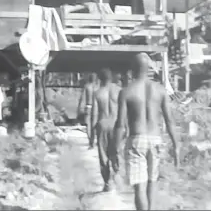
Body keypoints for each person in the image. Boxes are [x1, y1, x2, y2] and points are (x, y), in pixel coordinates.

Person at [112, 53, 179, 211]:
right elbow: (170, 121)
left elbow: (120, 125)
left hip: (136, 140)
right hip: (155, 140)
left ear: (133, 70)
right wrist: (176, 145)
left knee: (139, 188)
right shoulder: (160, 90)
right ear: (149, 68)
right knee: (152, 182)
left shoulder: (126, 91)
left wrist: (114, 149)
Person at [94, 68, 121, 192]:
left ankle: (107, 183)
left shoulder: (98, 93)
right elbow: (124, 111)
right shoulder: (119, 91)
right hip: (116, 124)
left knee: (103, 154)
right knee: (116, 151)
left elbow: (94, 114)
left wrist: (91, 131)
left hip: (103, 124)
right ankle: (117, 176)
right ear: (112, 78)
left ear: (100, 79)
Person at [77, 73, 99, 149]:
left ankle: (91, 141)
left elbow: (82, 98)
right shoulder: (98, 87)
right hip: (96, 107)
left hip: (88, 106)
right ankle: (93, 141)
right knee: (94, 125)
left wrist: (80, 108)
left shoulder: (87, 86)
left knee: (88, 125)